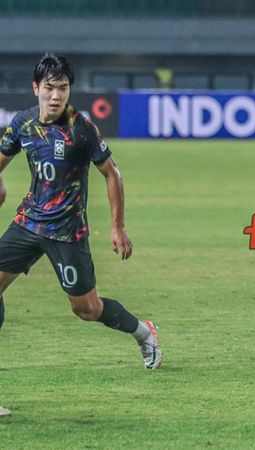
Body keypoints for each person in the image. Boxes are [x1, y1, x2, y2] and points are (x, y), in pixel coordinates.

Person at [0, 54, 162, 397]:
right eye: (49, 88)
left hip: (67, 232)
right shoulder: (23, 124)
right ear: (36, 89)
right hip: (28, 222)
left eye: (63, 88)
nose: (56, 96)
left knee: (86, 310)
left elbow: (111, 172)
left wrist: (117, 227)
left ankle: (144, 333)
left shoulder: (81, 128)